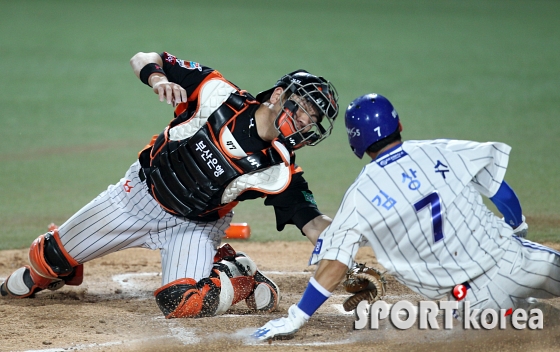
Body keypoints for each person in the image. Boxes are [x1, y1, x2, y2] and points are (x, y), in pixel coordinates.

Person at [0, 51, 339, 319]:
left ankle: (238, 276)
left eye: (313, 118)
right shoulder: (216, 91)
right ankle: (48, 273)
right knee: (47, 257)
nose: (306, 121)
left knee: (184, 303)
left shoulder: (280, 170)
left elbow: (311, 220)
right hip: (135, 199)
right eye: (305, 107)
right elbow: (144, 58)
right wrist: (158, 78)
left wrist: (342, 241)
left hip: (193, 227)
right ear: (279, 94)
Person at [252, 93, 560, 340]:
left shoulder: (361, 194)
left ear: (355, 142)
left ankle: (524, 313)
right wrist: (518, 229)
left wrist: (297, 317)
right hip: (516, 259)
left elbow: (334, 264)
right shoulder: (441, 150)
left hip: (472, 298)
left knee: (525, 326)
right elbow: (500, 190)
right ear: (398, 125)